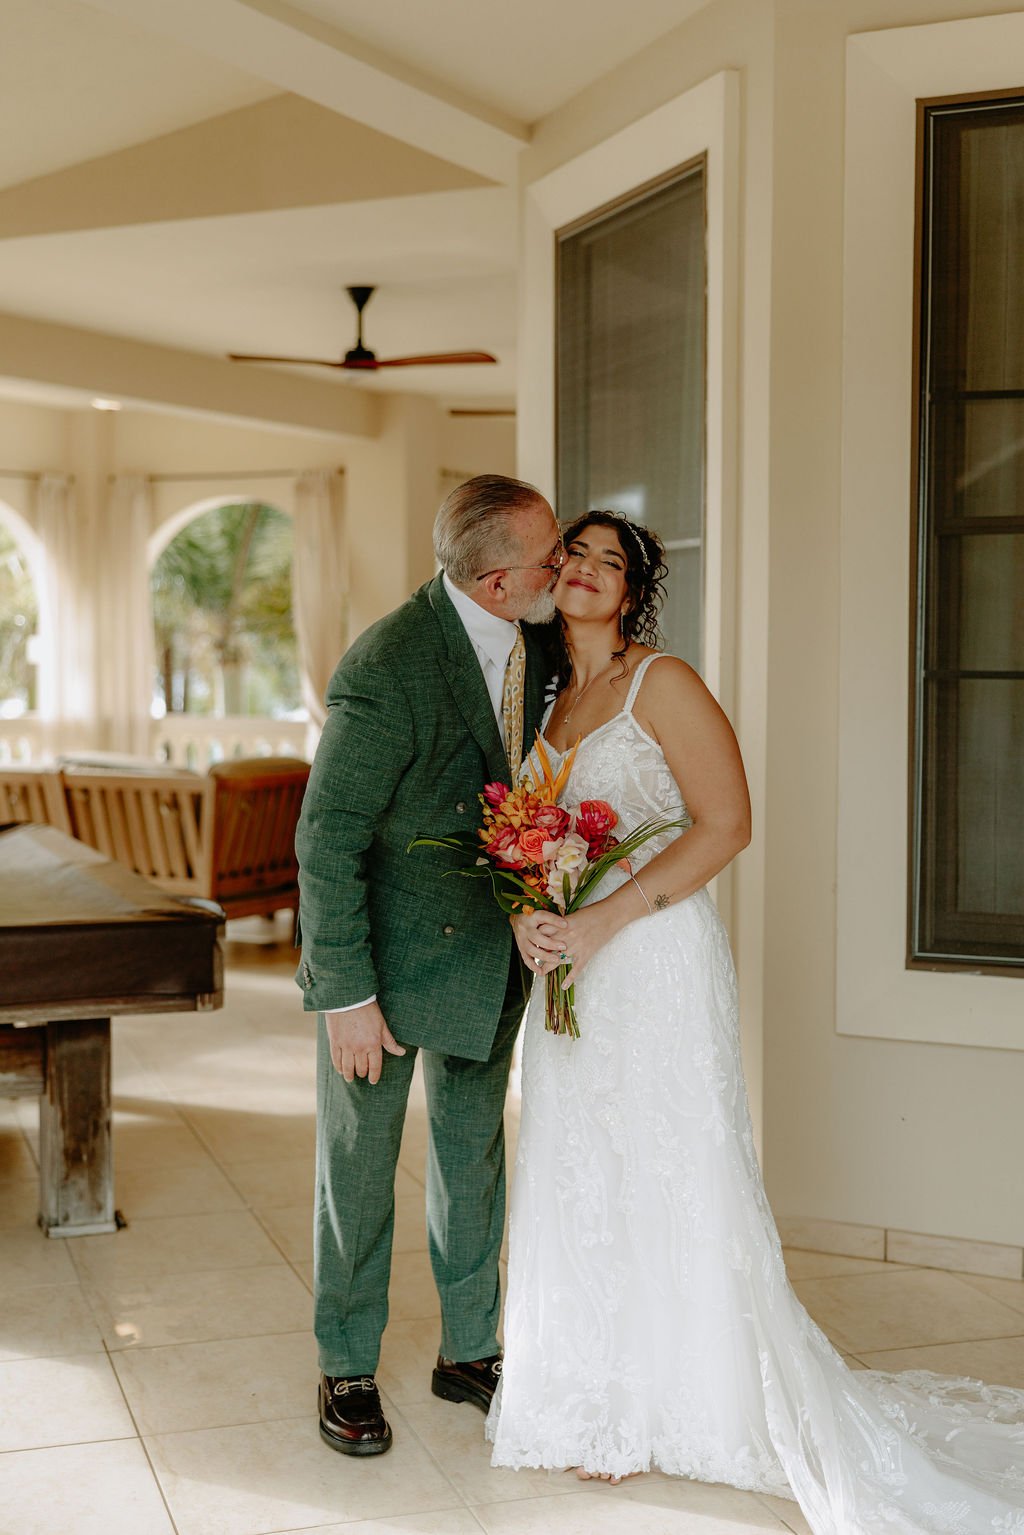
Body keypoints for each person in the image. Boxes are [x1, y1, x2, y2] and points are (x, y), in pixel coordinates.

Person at [487, 509, 1024, 1531]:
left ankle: (687, 1405)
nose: (590, 571)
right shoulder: (544, 698)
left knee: (667, 1163)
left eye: (613, 561)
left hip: (650, 960)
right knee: (576, 1164)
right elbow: (526, 839)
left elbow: (726, 823)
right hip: (572, 968)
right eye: (578, 555)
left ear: (634, 591)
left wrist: (600, 918)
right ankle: (593, 1402)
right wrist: (534, 917)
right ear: (552, 576)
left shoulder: (665, 682)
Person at [295, 473, 563, 1457]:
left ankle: (469, 1351)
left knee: (471, 1158)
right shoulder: (389, 663)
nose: (561, 565)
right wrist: (347, 996)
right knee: (358, 1174)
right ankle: (347, 1365)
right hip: (382, 968)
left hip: (491, 955)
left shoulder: (541, 643)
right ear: (496, 580)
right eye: (546, 555)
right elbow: (326, 839)